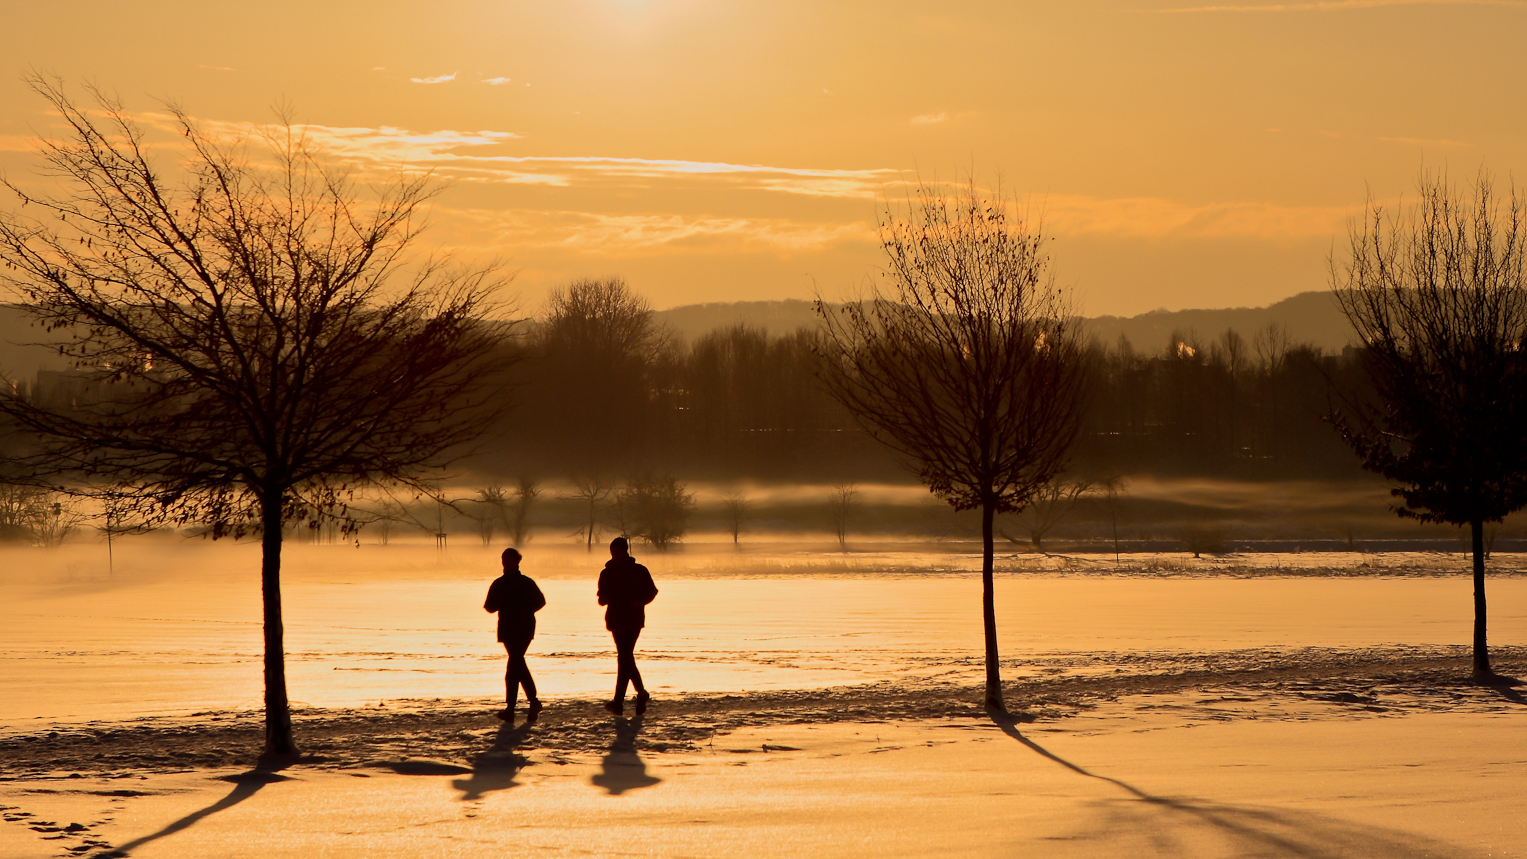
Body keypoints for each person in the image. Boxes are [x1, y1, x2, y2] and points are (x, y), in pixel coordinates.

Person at [597, 536, 658, 716]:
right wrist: (604, 599)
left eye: (617, 552)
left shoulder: (639, 570)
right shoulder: (606, 572)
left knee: (624, 657)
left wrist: (639, 602)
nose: (614, 555)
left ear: (625, 551)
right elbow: (601, 596)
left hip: (632, 619)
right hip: (615, 619)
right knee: (625, 658)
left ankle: (621, 701)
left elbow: (652, 591)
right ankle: (638, 694)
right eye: (612, 552)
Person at [484, 547, 546, 722]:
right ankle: (530, 703)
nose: (505, 562)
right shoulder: (501, 583)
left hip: (522, 628)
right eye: (503, 559)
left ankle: (515, 707)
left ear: (516, 561)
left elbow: (540, 601)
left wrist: (523, 610)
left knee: (514, 665)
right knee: (516, 664)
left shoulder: (523, 582)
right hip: (510, 628)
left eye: (508, 559)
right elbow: (489, 606)